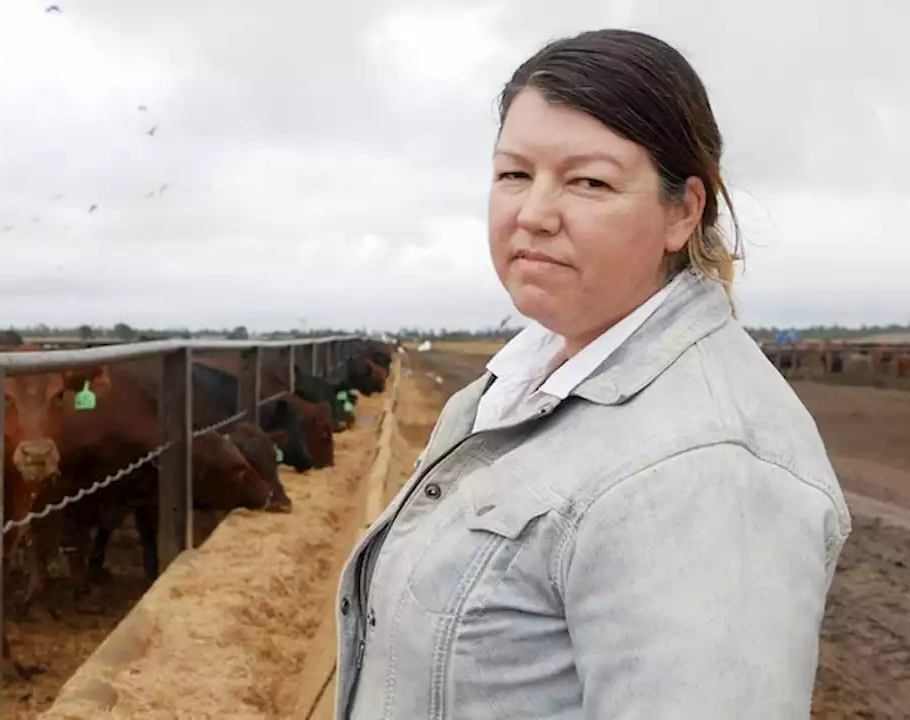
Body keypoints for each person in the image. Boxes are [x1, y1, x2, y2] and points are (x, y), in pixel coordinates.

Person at [334, 28, 850, 719]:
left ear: (683, 212)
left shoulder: (706, 474)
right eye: (514, 174)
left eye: (589, 182)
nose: (533, 213)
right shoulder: (521, 380)